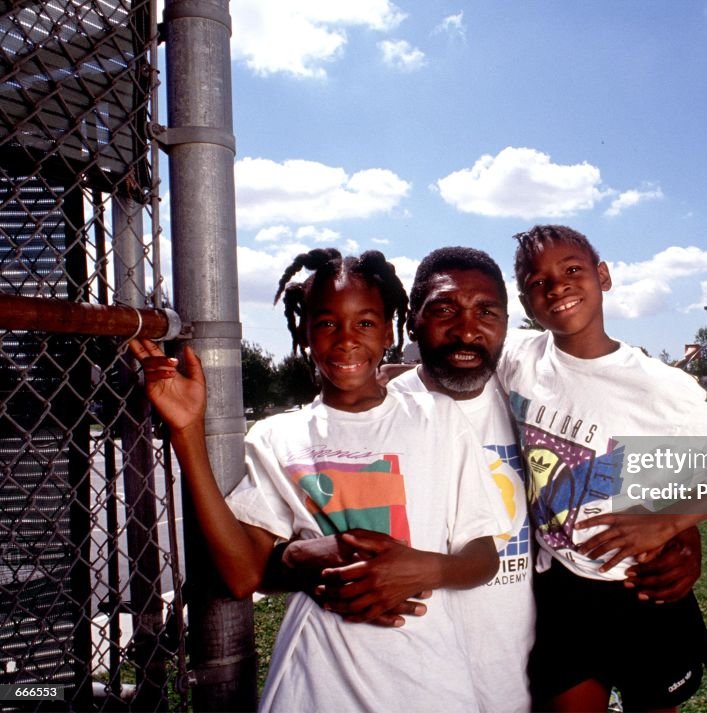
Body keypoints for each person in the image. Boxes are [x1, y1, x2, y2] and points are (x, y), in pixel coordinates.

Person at [275, 246, 706, 712]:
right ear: (412, 322)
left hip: (524, 667)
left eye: (486, 312)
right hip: (418, 675)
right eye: (443, 310)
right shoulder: (377, 413)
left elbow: (627, 461)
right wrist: (297, 556)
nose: (466, 329)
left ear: (505, 322)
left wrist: (683, 529)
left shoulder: (531, 396)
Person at [129, 248, 509, 713]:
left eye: (365, 323)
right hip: (314, 684)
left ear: (389, 329)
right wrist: (186, 432)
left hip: (429, 680)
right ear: (305, 331)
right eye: (327, 323)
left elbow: (483, 558)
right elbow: (241, 575)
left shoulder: (440, 417)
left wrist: (421, 568)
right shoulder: (277, 436)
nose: (346, 340)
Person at [501, 225, 707, 712]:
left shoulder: (656, 385)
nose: (556, 286)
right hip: (561, 589)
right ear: (525, 301)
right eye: (537, 281)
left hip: (641, 587)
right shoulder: (518, 358)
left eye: (571, 270)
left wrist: (668, 523)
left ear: (602, 277)